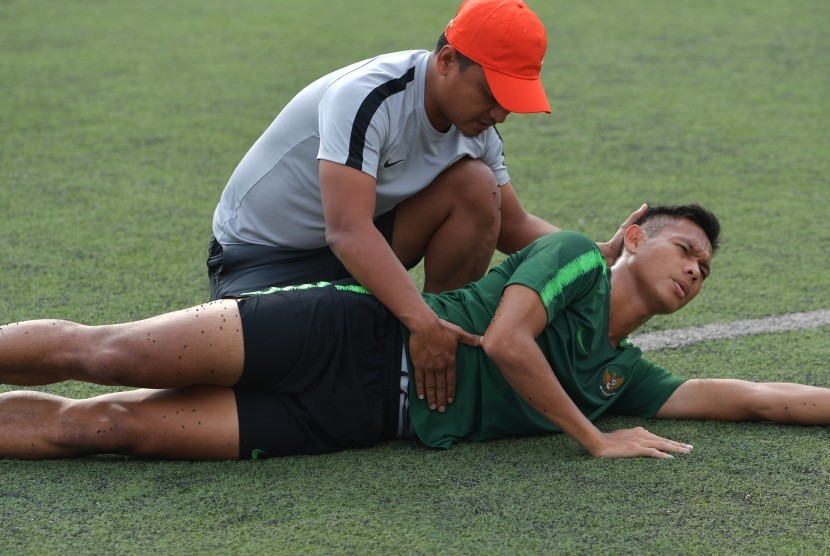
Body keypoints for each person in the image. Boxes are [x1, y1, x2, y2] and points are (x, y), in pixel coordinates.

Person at [3, 204, 829, 461]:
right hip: (344, 335)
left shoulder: (625, 376)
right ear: (639, 236)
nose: (694, 271)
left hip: (359, 420)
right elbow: (507, 343)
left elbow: (755, 397)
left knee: (107, 428)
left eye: (706, 271)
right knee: (100, 350)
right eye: (686, 249)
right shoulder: (574, 257)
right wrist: (594, 439)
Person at [206, 0, 647, 413]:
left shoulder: (477, 132)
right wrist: (420, 322)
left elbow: (512, 224)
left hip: (351, 254)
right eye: (493, 92)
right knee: (282, 371)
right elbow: (346, 230)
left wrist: (595, 255)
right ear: (447, 61)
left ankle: (430, 361)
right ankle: (423, 336)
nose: (501, 114)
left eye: (512, 100)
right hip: (260, 262)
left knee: (477, 188)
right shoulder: (366, 96)